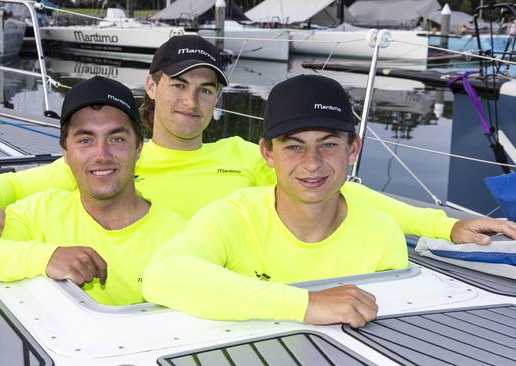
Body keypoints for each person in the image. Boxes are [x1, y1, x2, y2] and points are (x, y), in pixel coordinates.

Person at [0, 35, 516, 256]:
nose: (191, 102)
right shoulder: (113, 162)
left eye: (207, 91)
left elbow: (342, 194)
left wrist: (444, 226)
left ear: (218, 99)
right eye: (179, 86)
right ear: (153, 86)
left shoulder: (244, 157)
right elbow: (17, 182)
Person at [141, 75, 408, 328]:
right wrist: (306, 305)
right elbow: (163, 275)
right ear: (267, 153)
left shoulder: (383, 235)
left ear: (352, 149)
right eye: (294, 146)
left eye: (328, 145)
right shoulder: (233, 217)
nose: (312, 163)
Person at [0, 76, 185, 306]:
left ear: (139, 148)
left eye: (117, 139)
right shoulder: (38, 213)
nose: (101, 155)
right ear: (65, 153)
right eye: (85, 140)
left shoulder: (180, 237)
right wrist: (46, 258)